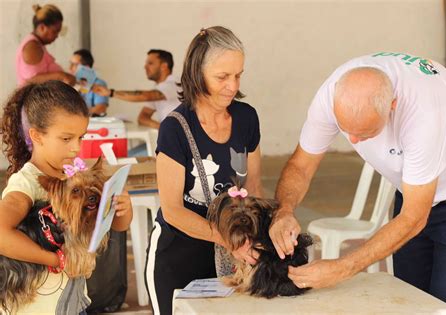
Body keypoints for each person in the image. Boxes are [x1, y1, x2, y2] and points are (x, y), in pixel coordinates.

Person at [269, 52, 446, 314]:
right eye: (346, 130)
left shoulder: (423, 111)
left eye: (364, 133)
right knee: (410, 300)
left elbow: (415, 216)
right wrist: (284, 211)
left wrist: (342, 268)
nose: (353, 141)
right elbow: (301, 165)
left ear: (392, 106)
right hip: (411, 191)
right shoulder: (332, 92)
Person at [144, 27, 263, 315]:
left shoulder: (247, 118)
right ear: (197, 73)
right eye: (222, 77)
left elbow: (255, 190)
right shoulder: (175, 128)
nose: (232, 86)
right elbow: (172, 210)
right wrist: (229, 240)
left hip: (231, 257)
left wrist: (256, 239)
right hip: (178, 256)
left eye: (238, 75)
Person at [0, 80, 133, 313]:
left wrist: (123, 207)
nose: (75, 148)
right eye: (66, 139)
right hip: (34, 308)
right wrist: (57, 260)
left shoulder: (75, 173)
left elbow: (118, 226)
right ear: (37, 136)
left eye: (81, 137)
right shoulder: (27, 183)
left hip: (72, 302)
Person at [93, 49, 180, 129]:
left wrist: (111, 93)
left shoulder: (174, 84)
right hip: (171, 138)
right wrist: (163, 129)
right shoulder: (157, 91)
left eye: (150, 63)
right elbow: (142, 117)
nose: (145, 67)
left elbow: (144, 96)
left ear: (164, 66)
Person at [16, 4, 75, 87]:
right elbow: (30, 80)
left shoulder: (37, 44)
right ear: (42, 28)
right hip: (34, 99)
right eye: (55, 31)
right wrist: (61, 76)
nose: (57, 36)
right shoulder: (32, 46)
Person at [69, 49, 108, 116]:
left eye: (75, 64)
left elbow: (101, 108)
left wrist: (74, 115)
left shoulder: (99, 84)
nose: (70, 68)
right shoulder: (69, 83)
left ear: (86, 68)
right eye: (70, 63)